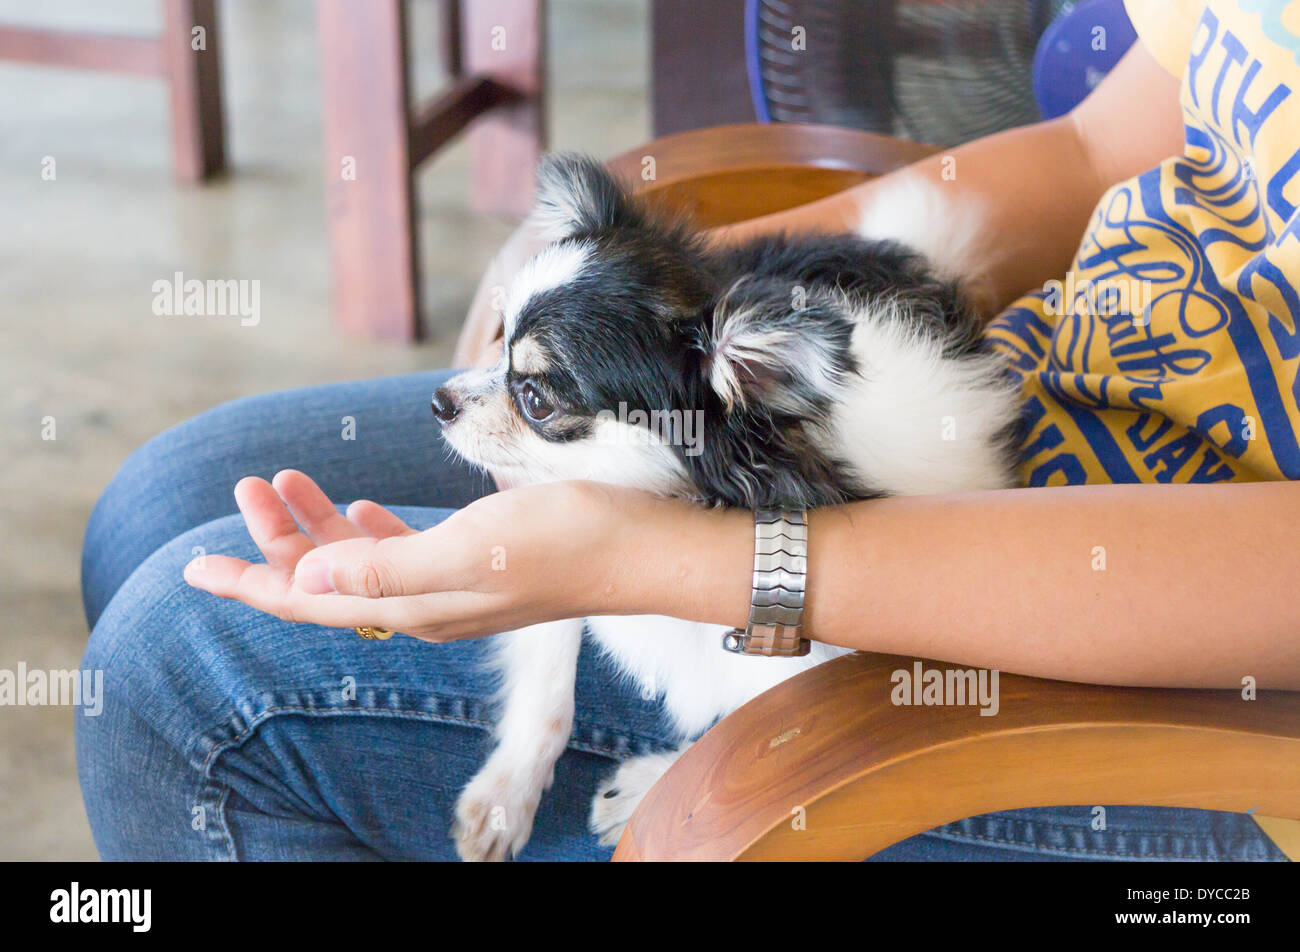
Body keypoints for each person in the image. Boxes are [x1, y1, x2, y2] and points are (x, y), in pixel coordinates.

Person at [78, 0, 1299, 860]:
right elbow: (1106, 141)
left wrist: (659, 562)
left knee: (188, 675)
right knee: (172, 493)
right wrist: (659, 297)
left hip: (1199, 685)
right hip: (1027, 379)